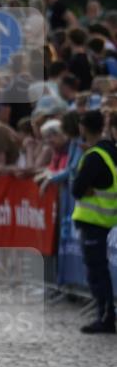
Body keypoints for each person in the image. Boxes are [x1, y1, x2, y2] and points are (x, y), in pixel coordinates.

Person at [71, 109, 117, 333]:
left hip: (95, 220)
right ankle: (106, 314)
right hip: (107, 219)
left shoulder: (94, 156)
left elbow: (77, 189)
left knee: (97, 272)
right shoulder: (110, 151)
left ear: (83, 128)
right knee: (100, 271)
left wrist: (85, 188)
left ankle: (106, 317)